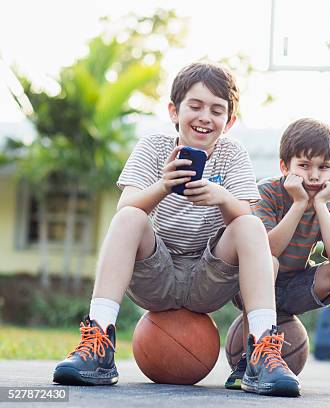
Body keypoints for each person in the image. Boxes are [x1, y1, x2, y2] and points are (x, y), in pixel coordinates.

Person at [52, 62, 300, 397]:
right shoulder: (153, 146)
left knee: (250, 224)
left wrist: (222, 198)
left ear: (229, 122)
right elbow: (126, 207)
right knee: (129, 218)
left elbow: (246, 218)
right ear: (174, 111)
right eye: (195, 106)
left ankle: (261, 349)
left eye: (216, 110)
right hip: (158, 274)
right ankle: (98, 342)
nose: (204, 117)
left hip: (207, 278)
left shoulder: (233, 154)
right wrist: (164, 185)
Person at [225, 118, 330, 396]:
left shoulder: (329, 206)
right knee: (268, 262)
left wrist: (318, 205)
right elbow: (266, 251)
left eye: (324, 167)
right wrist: (298, 204)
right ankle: (250, 360)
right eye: (304, 166)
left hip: (293, 287)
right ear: (285, 167)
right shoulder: (267, 192)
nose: (314, 176)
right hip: (255, 284)